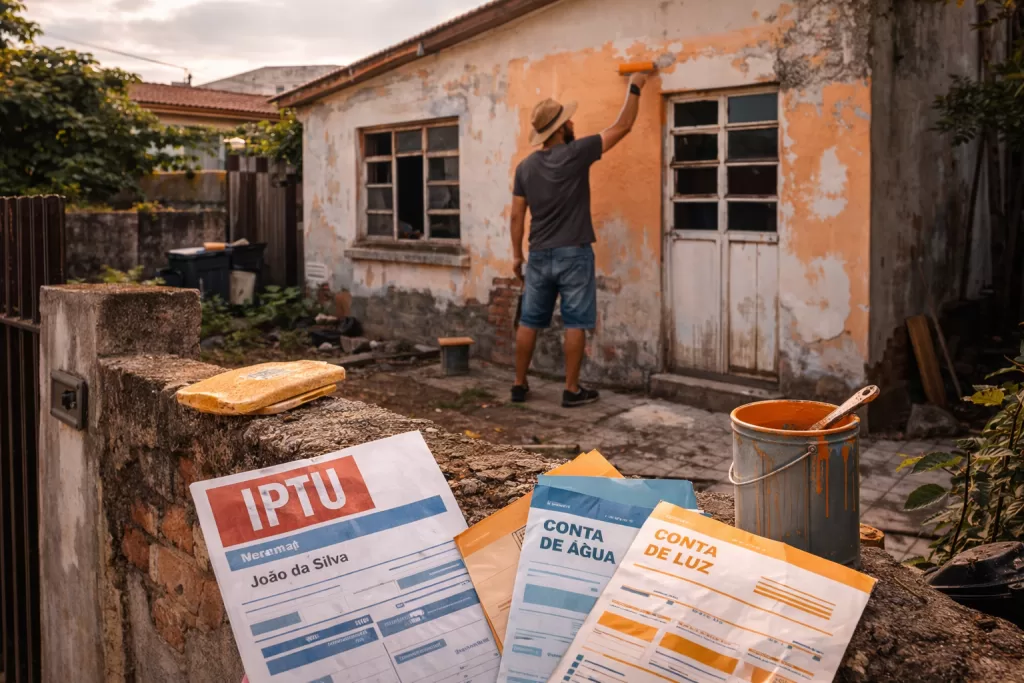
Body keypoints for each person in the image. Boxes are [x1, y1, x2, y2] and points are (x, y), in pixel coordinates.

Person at [509, 72, 649, 407]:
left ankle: (518, 385)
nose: (572, 122)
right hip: (574, 254)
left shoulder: (525, 168)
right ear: (559, 129)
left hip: (539, 255)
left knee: (529, 320)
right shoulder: (578, 152)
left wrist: (516, 256)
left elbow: (517, 216)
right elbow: (623, 125)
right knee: (575, 322)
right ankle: (571, 390)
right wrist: (635, 86)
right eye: (566, 120)